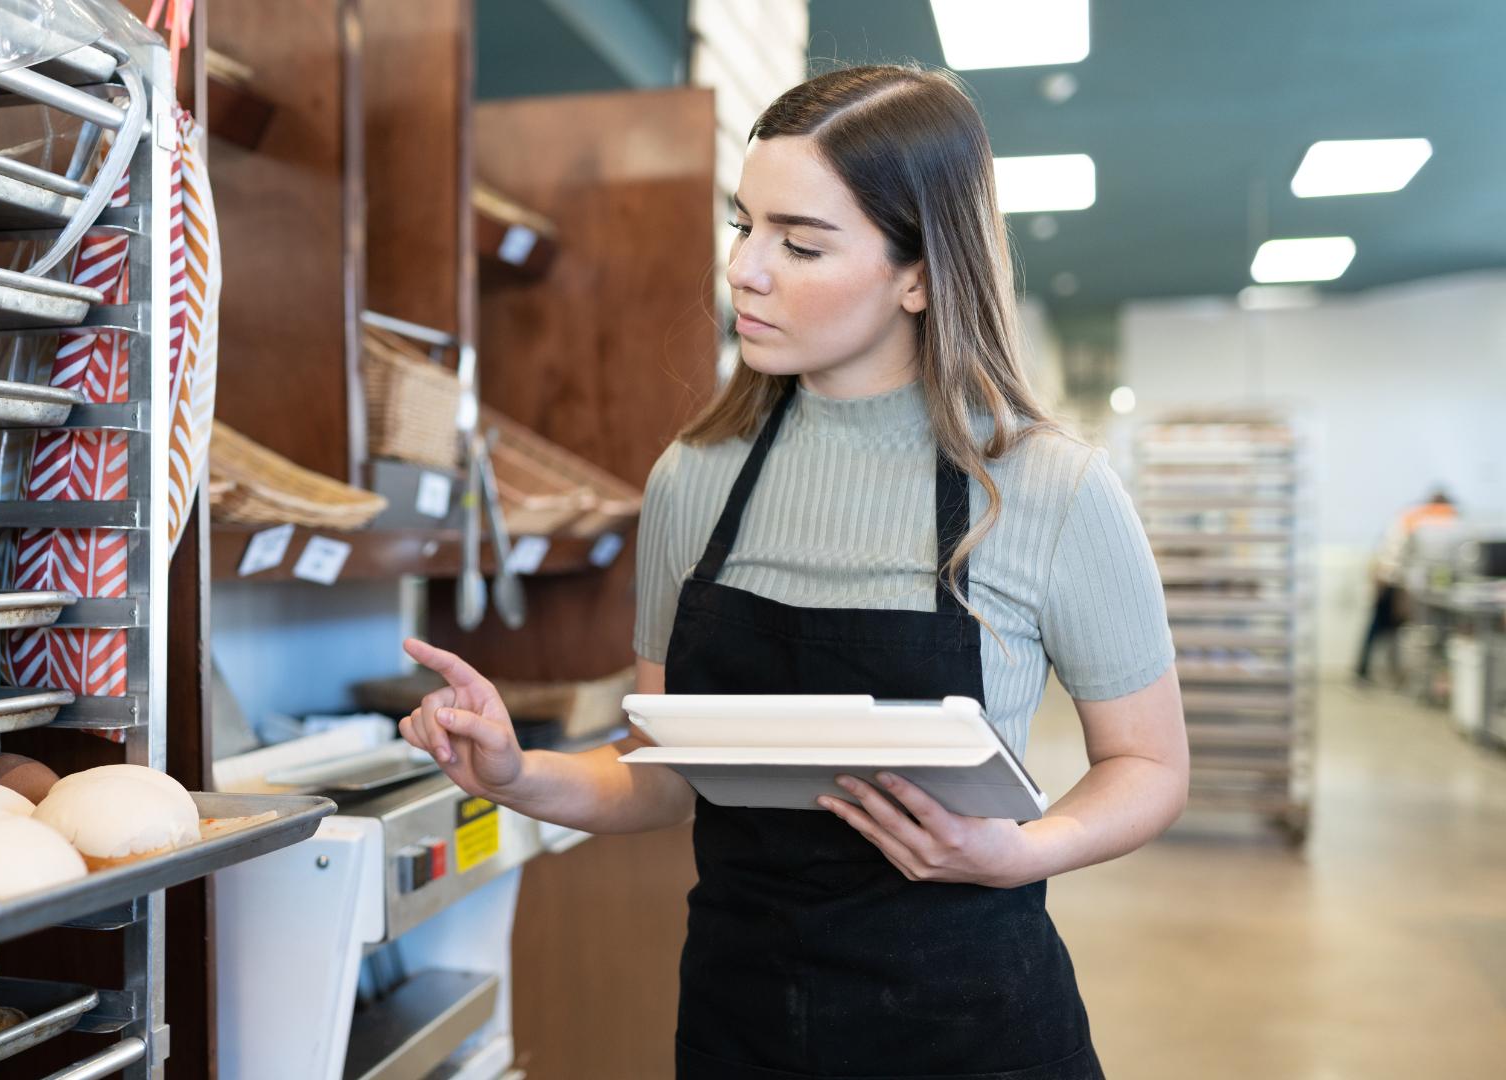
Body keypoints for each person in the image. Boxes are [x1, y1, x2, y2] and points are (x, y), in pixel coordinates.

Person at [400, 64, 1186, 1080]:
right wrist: (518, 775)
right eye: (744, 227)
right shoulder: (696, 479)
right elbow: (665, 773)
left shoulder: (1046, 490)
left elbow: (1151, 768)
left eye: (800, 243)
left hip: (971, 1029)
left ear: (920, 273)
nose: (746, 271)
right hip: (744, 1022)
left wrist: (1022, 852)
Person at [1356, 489, 1458, 684]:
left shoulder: (1416, 519)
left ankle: (1387, 672)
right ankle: (1363, 671)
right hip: (1390, 581)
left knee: (1391, 629)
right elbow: (1396, 558)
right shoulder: (1416, 521)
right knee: (1379, 627)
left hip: (1396, 581)